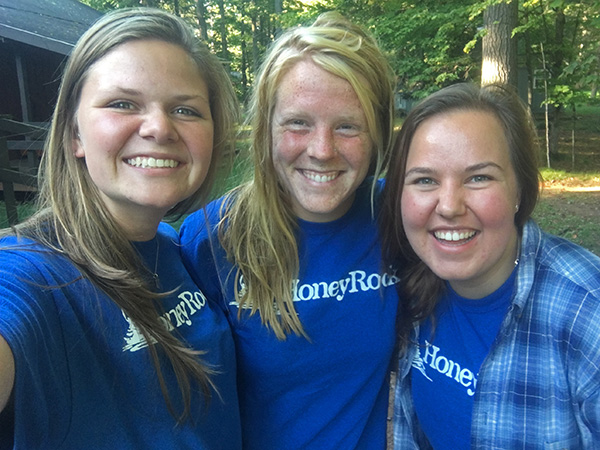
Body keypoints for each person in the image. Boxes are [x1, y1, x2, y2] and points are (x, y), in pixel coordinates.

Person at [0, 8, 242, 448]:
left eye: (185, 109)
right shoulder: (30, 275)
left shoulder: (176, 248)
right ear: (75, 134)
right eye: (122, 104)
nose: (159, 128)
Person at [180, 11, 399, 449]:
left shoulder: (397, 218)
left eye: (348, 126)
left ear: (376, 134)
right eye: (298, 122)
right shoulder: (211, 238)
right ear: (266, 128)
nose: (322, 150)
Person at [380, 82, 600, 449]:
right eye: (425, 180)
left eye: (479, 177)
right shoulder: (412, 287)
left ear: (519, 189)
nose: (449, 205)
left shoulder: (587, 312)